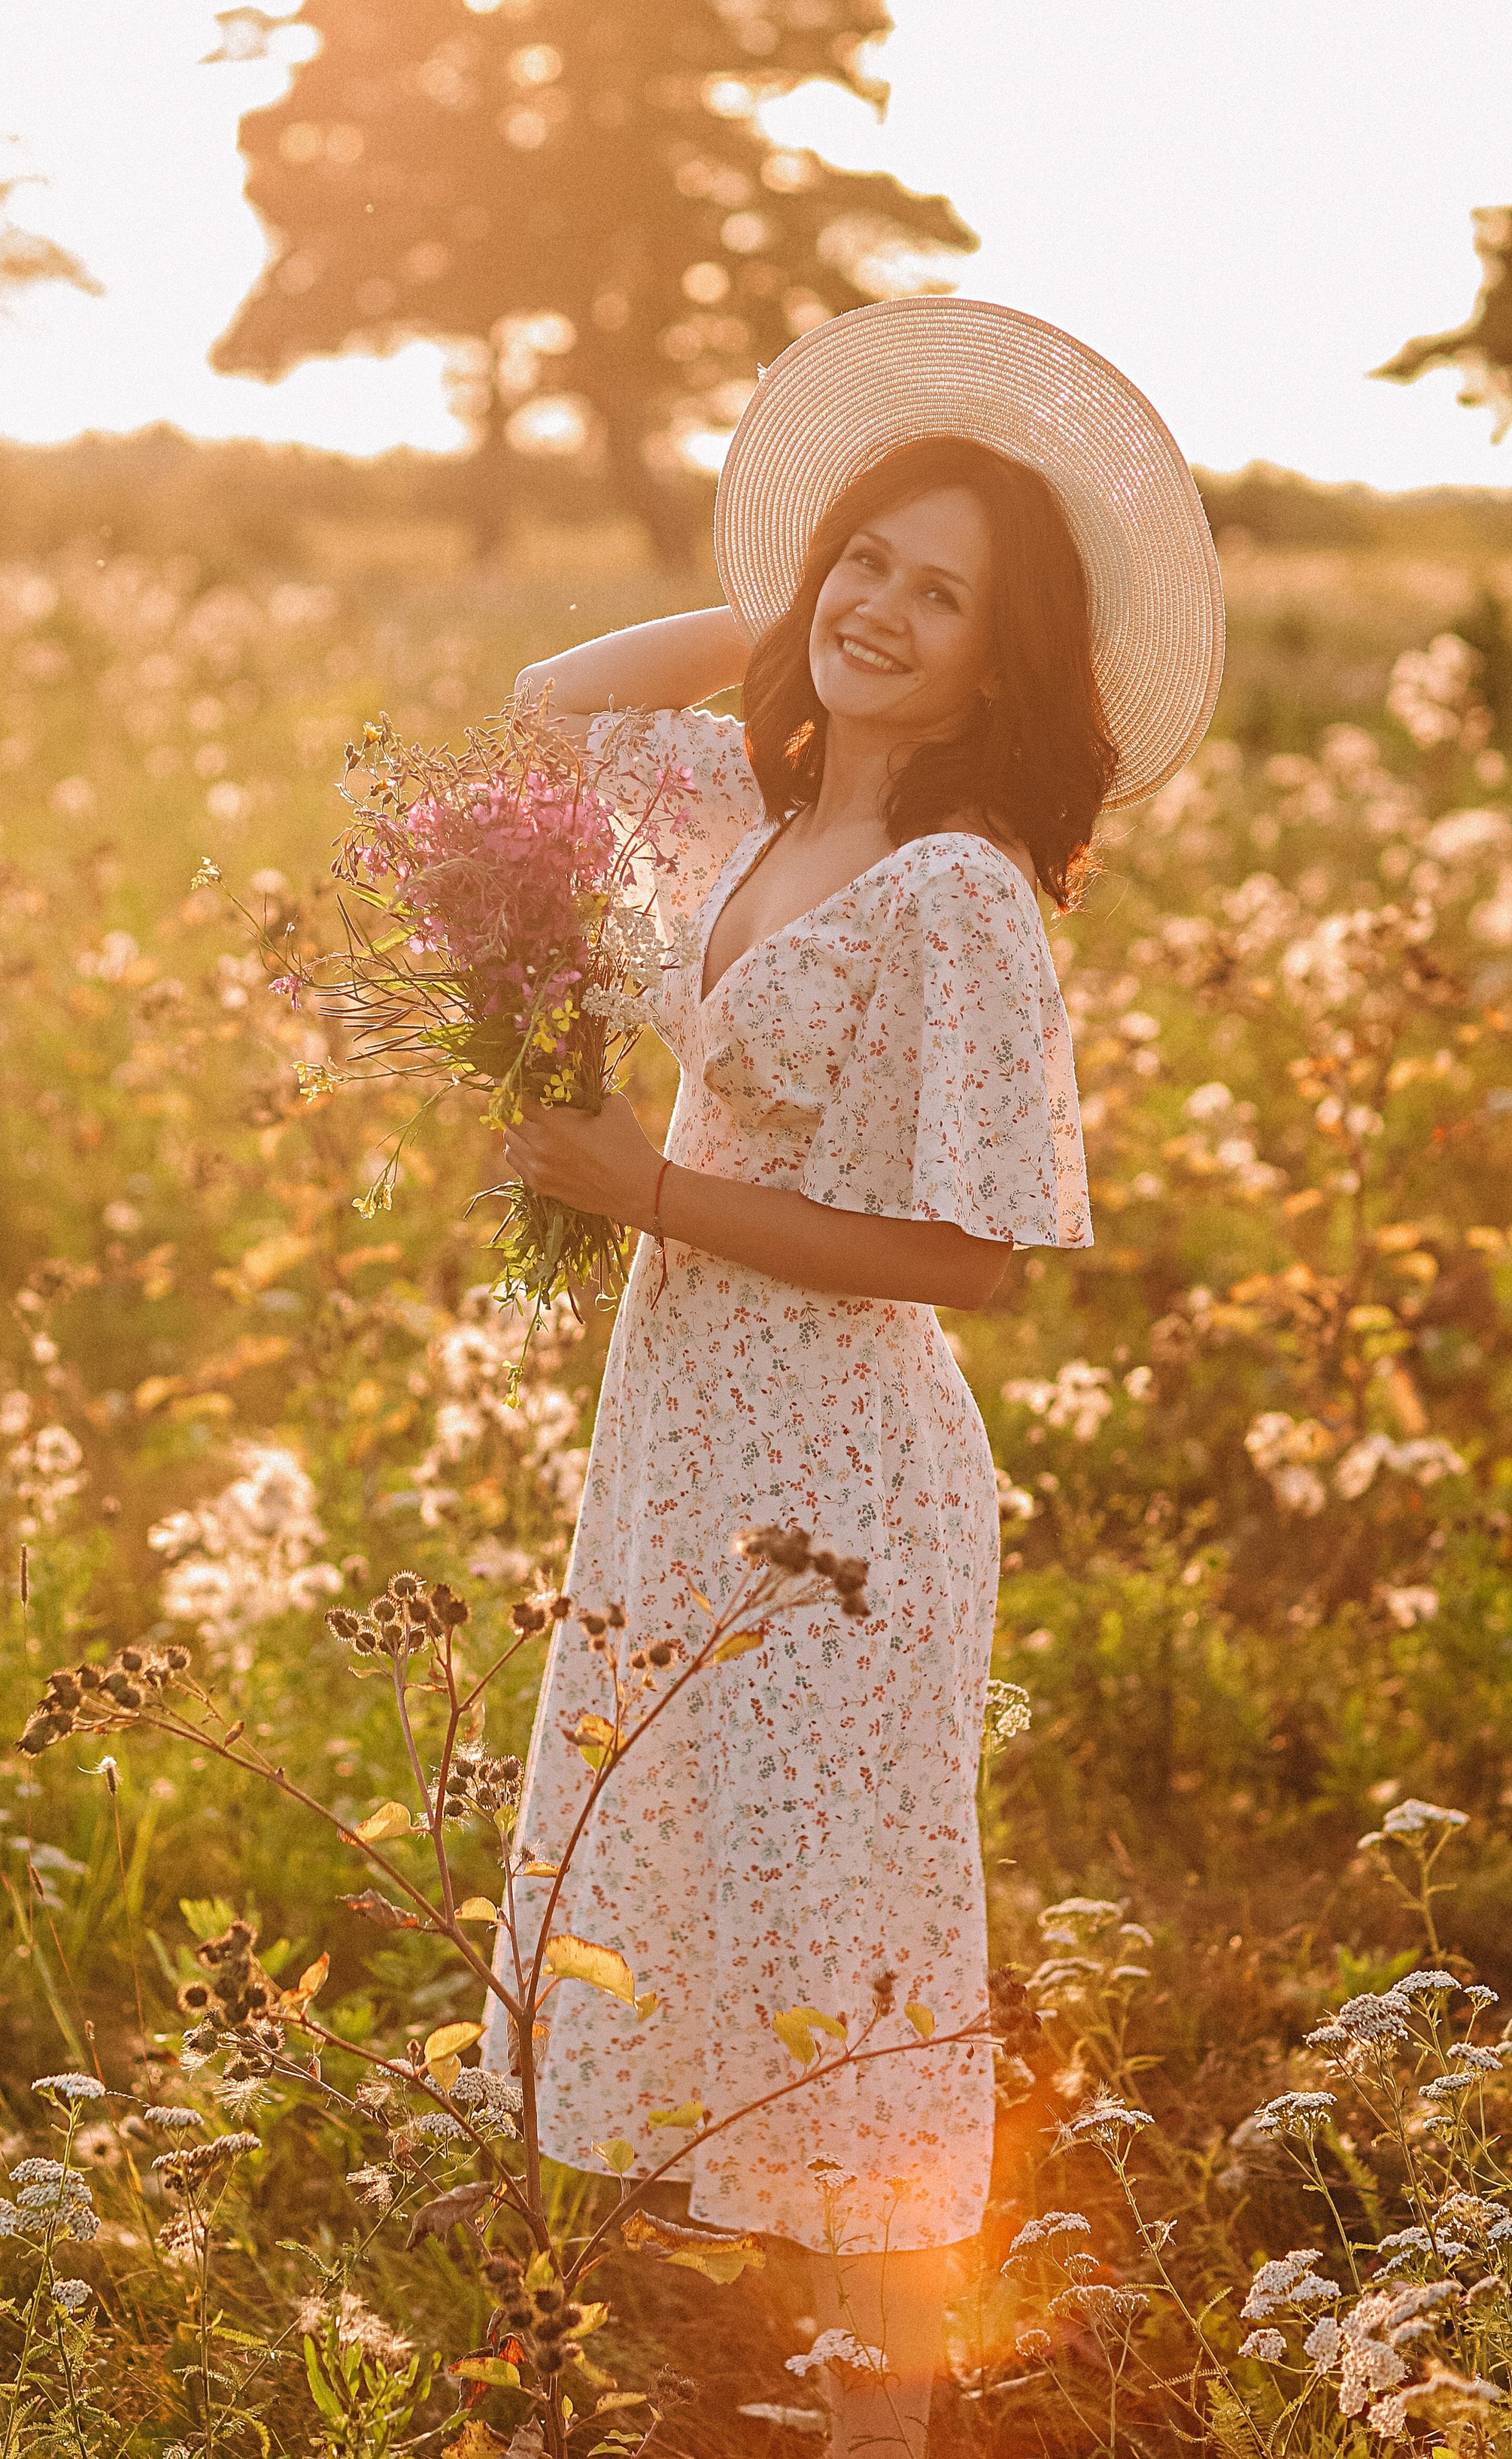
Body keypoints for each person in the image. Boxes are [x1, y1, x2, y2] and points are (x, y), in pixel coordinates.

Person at [490, 300, 1224, 2455]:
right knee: (718, 1922)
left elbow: (973, 1260)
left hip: (846, 1481)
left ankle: (882, 2427)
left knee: (856, 1968)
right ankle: (775, 2409)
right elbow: (544, 705)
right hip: (682, 1445)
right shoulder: (753, 804)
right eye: (865, 565)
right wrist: (798, 611)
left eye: (941, 598)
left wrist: (647, 1191)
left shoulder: (964, 897)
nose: (884, 613)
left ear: (1011, 668)